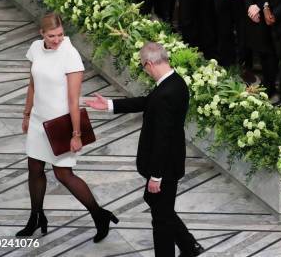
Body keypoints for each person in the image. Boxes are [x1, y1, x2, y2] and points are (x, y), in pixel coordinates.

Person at [85, 42, 203, 257]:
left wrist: (156, 176)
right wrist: (111, 105)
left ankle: (184, 247)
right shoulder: (174, 83)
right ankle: (188, 245)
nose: (145, 71)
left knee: (161, 220)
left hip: (164, 167)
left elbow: (162, 139)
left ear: (149, 63)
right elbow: (148, 102)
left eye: (143, 66)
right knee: (160, 207)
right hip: (170, 162)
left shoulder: (166, 93)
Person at [18, 13, 117, 242]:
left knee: (64, 174)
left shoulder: (70, 54)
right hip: (37, 120)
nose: (57, 39)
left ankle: (99, 215)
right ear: (41, 33)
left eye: (60, 34)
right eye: (52, 35)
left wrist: (76, 134)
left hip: (62, 123)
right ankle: (36, 217)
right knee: (34, 170)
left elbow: (74, 100)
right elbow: (32, 84)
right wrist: (26, 114)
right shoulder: (35, 48)